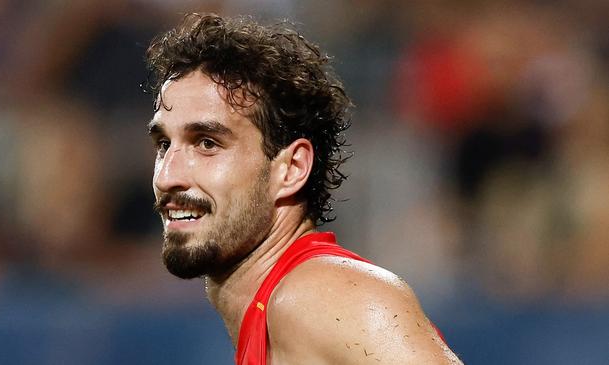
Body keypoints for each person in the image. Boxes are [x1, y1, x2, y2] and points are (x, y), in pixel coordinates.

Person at [145, 13, 462, 365]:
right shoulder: (278, 313)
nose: (166, 176)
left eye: (207, 143)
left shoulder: (319, 296)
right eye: (163, 144)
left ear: (292, 169)